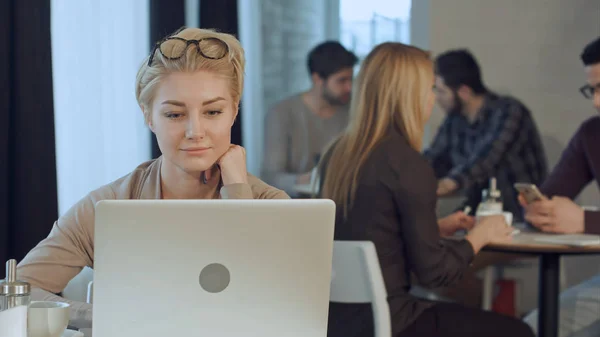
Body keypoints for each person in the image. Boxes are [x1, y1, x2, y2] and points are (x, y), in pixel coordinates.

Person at [16, 27, 288, 329]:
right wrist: (104, 316)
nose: (195, 131)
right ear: (148, 116)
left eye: (212, 112)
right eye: (174, 115)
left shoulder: (271, 204)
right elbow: (16, 296)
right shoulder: (107, 206)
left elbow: (279, 306)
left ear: (234, 111)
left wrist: (238, 191)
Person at [318, 42, 534, 337]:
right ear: (409, 95)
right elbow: (436, 274)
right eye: (430, 88)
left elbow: (370, 231)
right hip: (393, 321)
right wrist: (481, 234)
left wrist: (434, 228)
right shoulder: (407, 164)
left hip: (336, 320)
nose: (433, 99)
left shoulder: (335, 155)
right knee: (519, 331)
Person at [521, 36, 600, 337]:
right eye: (591, 90)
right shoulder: (592, 134)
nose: (596, 102)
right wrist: (539, 208)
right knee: (533, 328)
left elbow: (582, 220)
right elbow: (553, 191)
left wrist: (584, 221)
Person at [424, 49, 547, 221]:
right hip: (478, 213)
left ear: (464, 92)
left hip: (521, 217)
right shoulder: (454, 120)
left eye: (441, 91)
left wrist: (446, 184)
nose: (436, 97)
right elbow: (434, 157)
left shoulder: (509, 111)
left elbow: (486, 158)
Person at [262, 41, 357, 196]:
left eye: (351, 79)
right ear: (317, 78)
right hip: (296, 207)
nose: (349, 87)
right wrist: (307, 180)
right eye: (342, 80)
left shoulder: (353, 111)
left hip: (344, 203)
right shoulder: (282, 113)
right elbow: (271, 177)